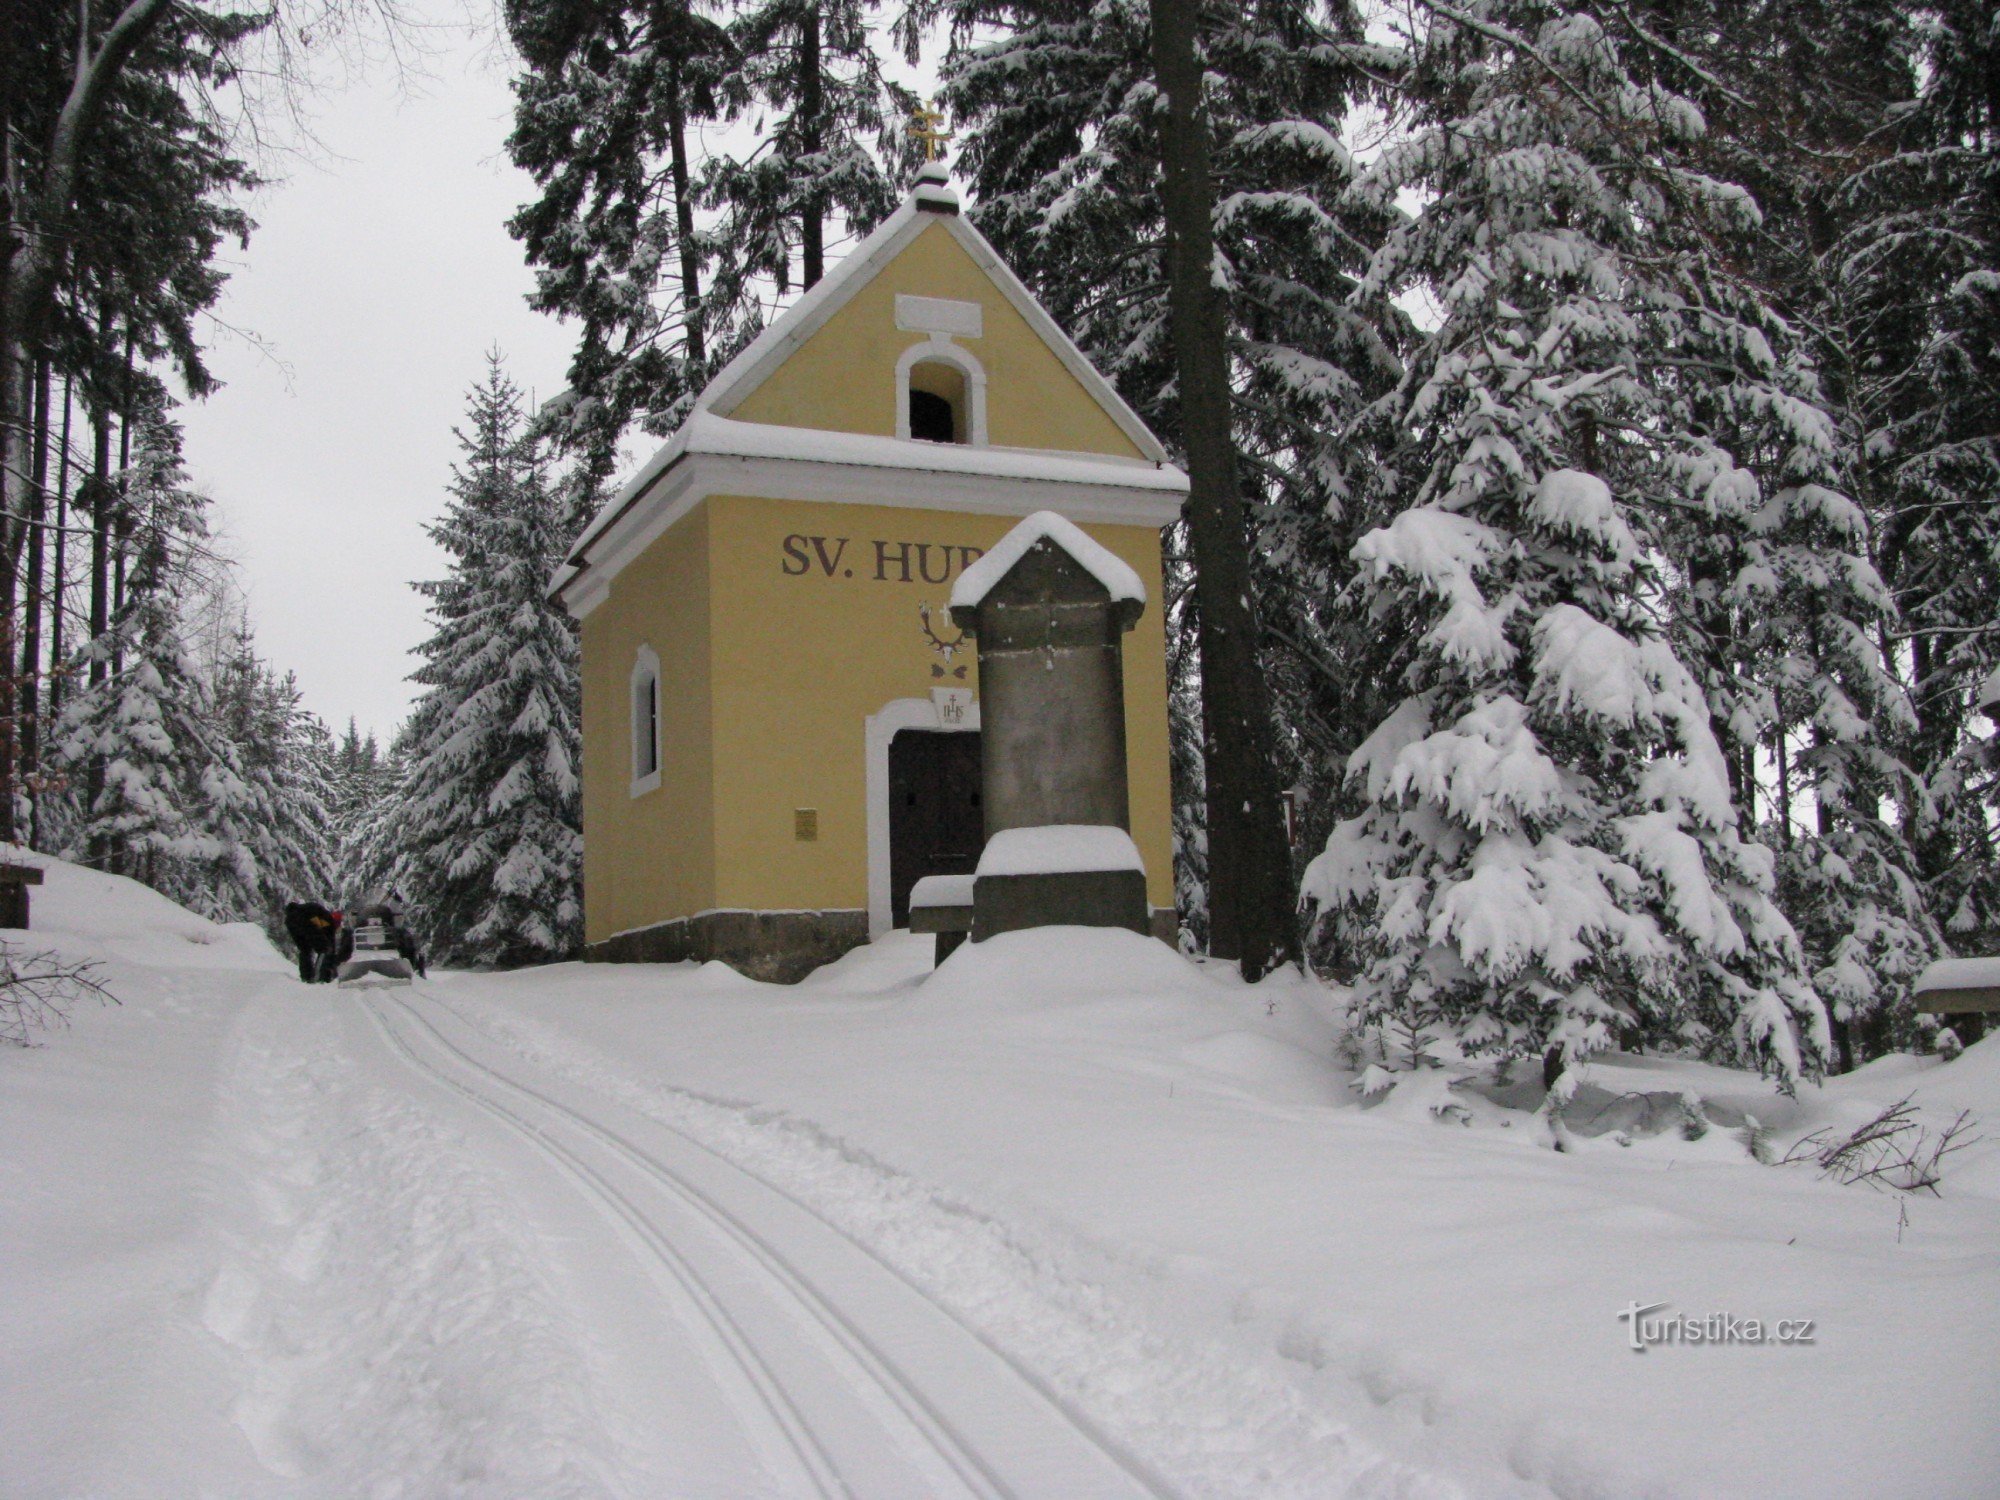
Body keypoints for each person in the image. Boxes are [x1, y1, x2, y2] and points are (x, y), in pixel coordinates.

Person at [283, 902, 343, 983]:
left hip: (291, 922)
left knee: (305, 950)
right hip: (307, 922)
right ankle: (320, 977)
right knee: (324, 949)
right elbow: (330, 945)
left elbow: (315, 922)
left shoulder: (314, 910)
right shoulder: (330, 922)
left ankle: (306, 976)